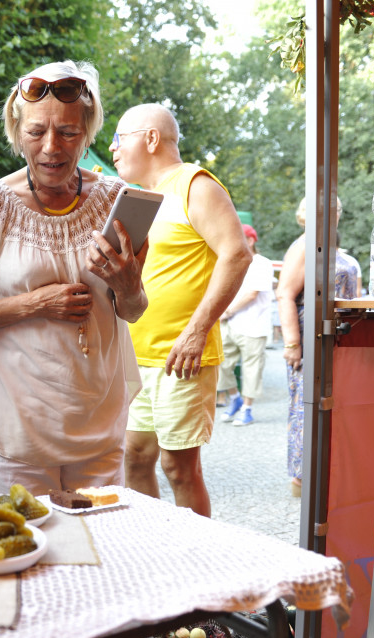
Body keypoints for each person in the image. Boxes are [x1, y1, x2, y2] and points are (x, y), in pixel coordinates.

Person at [0, 62, 146, 505]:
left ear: (87, 130)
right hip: (14, 439)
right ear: (17, 131)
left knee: (99, 558)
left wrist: (128, 284)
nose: (52, 147)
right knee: (20, 563)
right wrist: (34, 304)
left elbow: (132, 310)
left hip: (99, 431)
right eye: (36, 132)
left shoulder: (116, 201)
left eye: (68, 132)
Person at [111, 103, 251, 518]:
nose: (113, 149)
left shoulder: (195, 184)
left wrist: (196, 331)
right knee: (133, 458)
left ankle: (197, 556)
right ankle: (155, 550)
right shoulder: (135, 198)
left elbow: (236, 255)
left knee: (179, 467)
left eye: (120, 139)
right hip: (136, 356)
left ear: (151, 138)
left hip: (182, 356)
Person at [276, 197, 361, 497]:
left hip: (341, 337)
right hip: (311, 338)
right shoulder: (304, 246)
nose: (332, 214)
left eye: (336, 209)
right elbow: (284, 295)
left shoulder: (334, 248)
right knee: (306, 407)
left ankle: (331, 471)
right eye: (325, 209)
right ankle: (303, 481)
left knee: (335, 403)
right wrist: (292, 344)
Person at [217, 223, 275, 427]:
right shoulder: (230, 261)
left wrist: (227, 311)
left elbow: (252, 294)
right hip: (229, 322)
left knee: (252, 369)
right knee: (221, 364)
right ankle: (235, 399)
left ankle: (247, 409)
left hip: (253, 324)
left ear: (250, 241)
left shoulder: (261, 263)